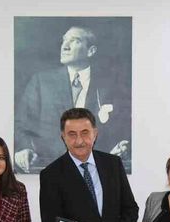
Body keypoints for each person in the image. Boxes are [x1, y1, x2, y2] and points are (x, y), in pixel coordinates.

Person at [15, 25, 130, 173]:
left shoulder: (111, 85)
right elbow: (21, 125)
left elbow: (123, 128)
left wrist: (121, 146)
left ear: (91, 51)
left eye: (75, 40)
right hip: (48, 167)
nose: (65, 46)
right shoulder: (41, 82)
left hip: (96, 169)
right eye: (64, 40)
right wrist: (25, 148)